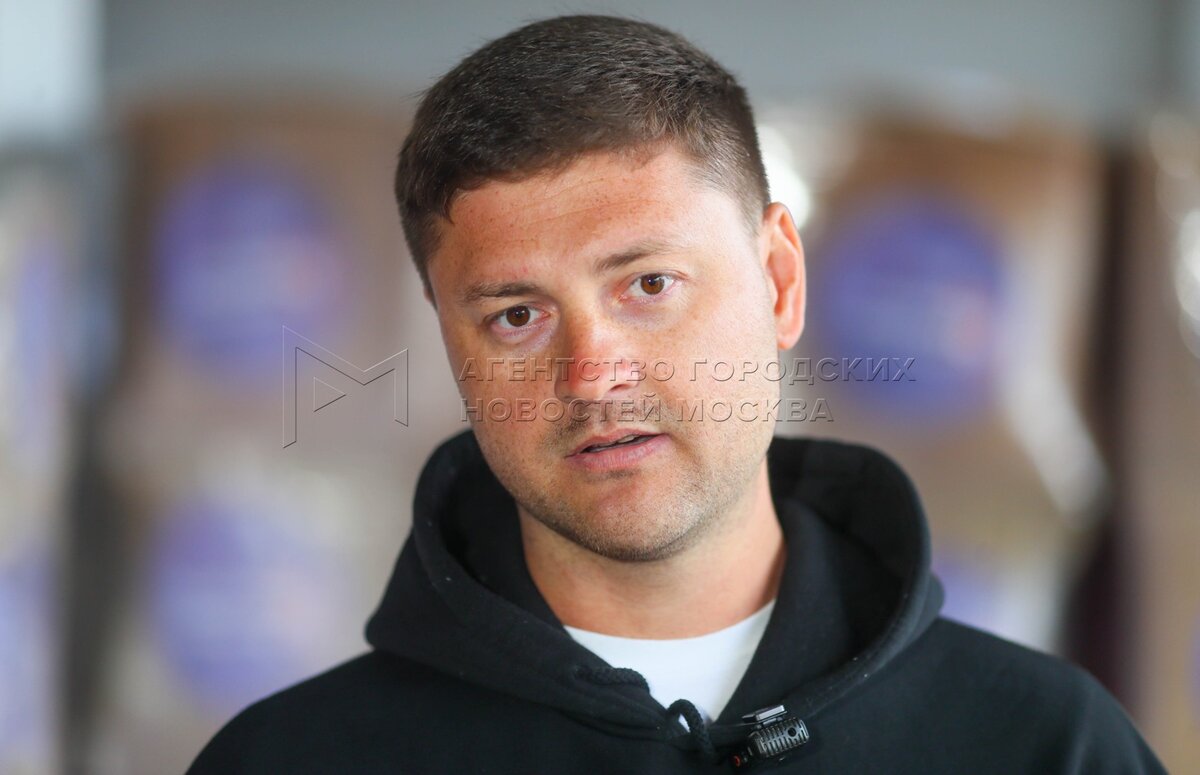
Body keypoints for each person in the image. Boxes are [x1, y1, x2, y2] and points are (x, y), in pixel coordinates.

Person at [187, 14, 1164, 773]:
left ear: (780, 281)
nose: (593, 373)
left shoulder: (1045, 747)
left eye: (649, 285)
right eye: (517, 315)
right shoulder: (289, 761)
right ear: (448, 339)